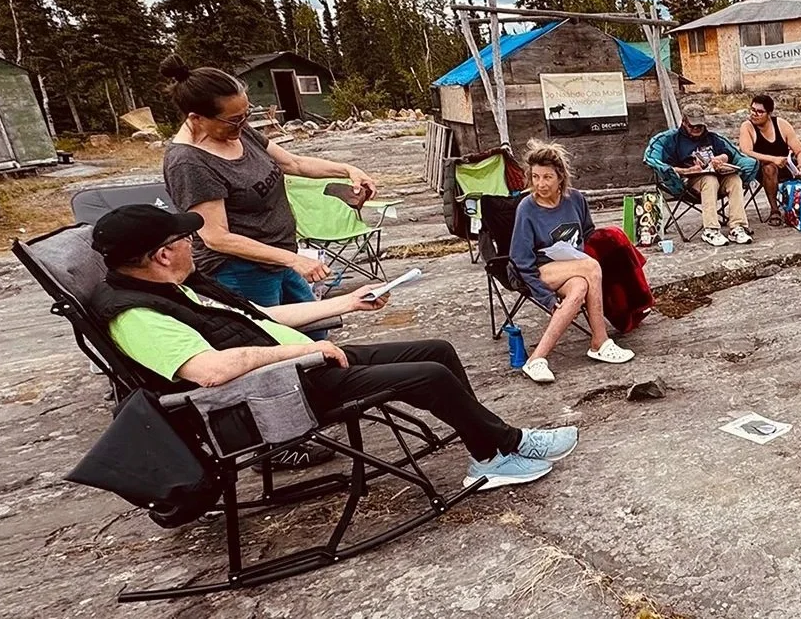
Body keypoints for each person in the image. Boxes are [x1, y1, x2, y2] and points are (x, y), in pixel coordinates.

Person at [91, 204, 579, 490]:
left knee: (437, 349)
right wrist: (301, 353)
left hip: (301, 368)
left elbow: (258, 319)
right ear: (160, 255)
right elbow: (211, 371)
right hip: (275, 394)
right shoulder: (138, 315)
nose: (191, 245)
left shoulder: (176, 286)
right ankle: (507, 447)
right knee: (429, 376)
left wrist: (345, 303)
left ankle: (489, 455)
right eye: (183, 240)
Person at [159, 55, 377, 319]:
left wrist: (347, 170)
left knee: (319, 324)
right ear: (197, 118)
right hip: (241, 271)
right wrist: (295, 260)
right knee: (277, 338)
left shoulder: (240, 131)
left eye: (245, 115)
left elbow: (294, 163)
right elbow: (216, 237)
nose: (242, 124)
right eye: (234, 119)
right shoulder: (188, 162)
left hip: (278, 258)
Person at [509, 140, 639, 384]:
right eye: (535, 177)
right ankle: (600, 341)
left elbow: (587, 233)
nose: (540, 184)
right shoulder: (527, 208)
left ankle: (536, 359)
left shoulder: (575, 199)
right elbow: (520, 260)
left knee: (580, 285)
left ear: (560, 177)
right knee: (590, 267)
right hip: (537, 269)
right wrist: (546, 298)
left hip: (571, 265)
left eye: (547, 177)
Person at [662, 103, 752, 247]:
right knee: (709, 180)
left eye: (700, 125)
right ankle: (710, 230)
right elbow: (667, 167)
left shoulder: (711, 138)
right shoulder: (673, 141)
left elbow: (727, 153)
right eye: (693, 125)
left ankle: (737, 227)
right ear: (684, 122)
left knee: (734, 179)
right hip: (690, 182)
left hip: (717, 176)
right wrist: (688, 170)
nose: (697, 128)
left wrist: (721, 159)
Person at [738, 94, 801, 226]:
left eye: (760, 112)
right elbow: (746, 151)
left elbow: (800, 151)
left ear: (769, 113)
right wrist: (773, 159)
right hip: (763, 170)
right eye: (753, 110)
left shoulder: (781, 125)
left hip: (786, 165)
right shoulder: (747, 127)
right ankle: (774, 210)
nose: (755, 114)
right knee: (769, 168)